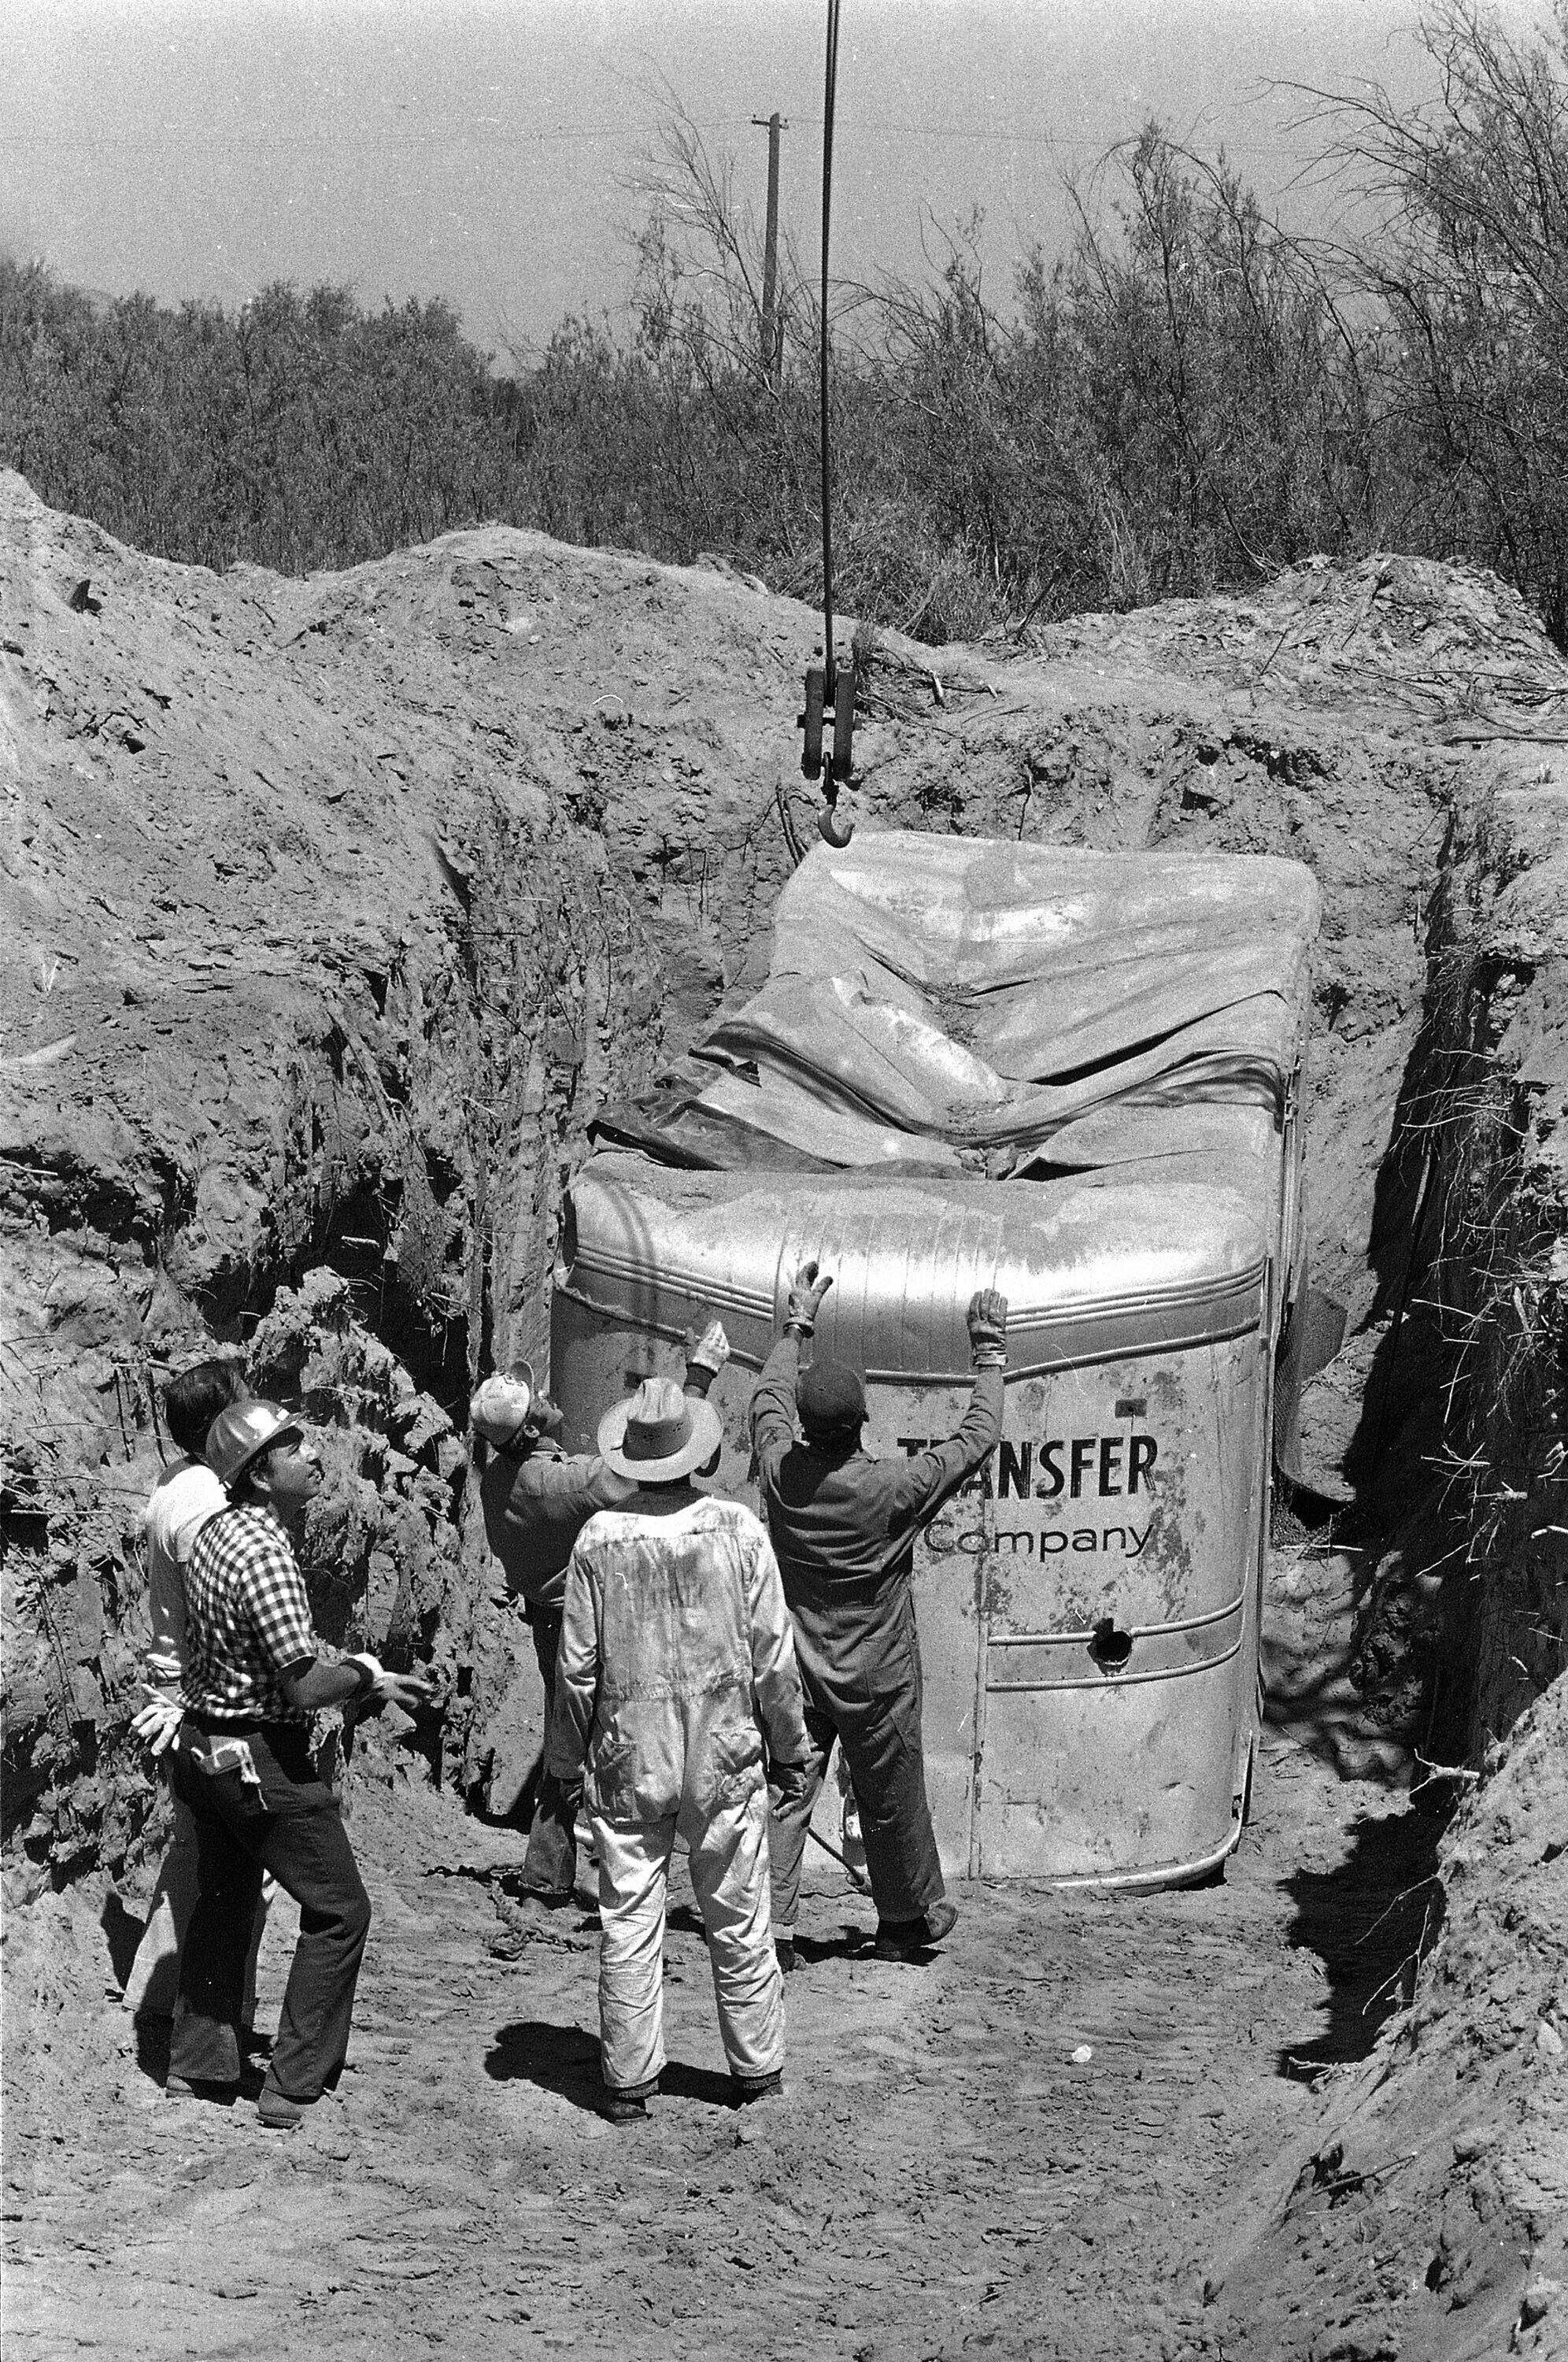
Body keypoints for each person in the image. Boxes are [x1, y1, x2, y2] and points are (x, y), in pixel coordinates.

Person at [549, 1375, 810, 2123]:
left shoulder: (599, 1539)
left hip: (631, 1753)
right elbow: (772, 1658)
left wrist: (567, 1764)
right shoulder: (737, 1530)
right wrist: (789, 1745)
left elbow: (576, 1671)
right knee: (738, 1909)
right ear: (698, 1451)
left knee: (629, 1914)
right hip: (723, 1750)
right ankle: (756, 2069)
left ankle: (629, 2078)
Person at [165, 1399, 431, 2131]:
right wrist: (367, 1676)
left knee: (223, 1899)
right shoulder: (268, 1552)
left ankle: (198, 2063)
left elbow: (286, 1652)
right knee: (341, 1910)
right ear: (257, 1476)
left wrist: (360, 1671)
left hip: (203, 1747)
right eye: (293, 1448)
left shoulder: (212, 1533)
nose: (313, 1455)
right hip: (260, 1758)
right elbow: (304, 1684)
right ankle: (291, 2085)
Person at [751, 1264, 1008, 1965]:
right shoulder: (891, 1489)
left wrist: (795, 1325)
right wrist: (988, 1354)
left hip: (798, 1669)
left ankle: (769, 1931)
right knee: (891, 1794)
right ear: (861, 1422)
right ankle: (902, 1922)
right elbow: (976, 1438)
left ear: (806, 1425)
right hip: (878, 1677)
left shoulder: (779, 1472)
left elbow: (767, 1400)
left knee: (788, 1791)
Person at [472, 1324, 730, 1902]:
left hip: (550, 1618)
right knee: (608, 1738)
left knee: (565, 1737)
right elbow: (654, 1462)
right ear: (531, 1428)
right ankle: (605, 1869)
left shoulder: (500, 1480)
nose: (548, 1399)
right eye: (538, 1401)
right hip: (585, 1623)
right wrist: (700, 1376)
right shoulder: (564, 1483)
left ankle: (546, 1869)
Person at [125, 1359, 266, 2026]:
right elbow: (225, 1609)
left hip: (173, 1682)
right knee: (245, 1861)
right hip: (204, 1692)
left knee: (196, 1845)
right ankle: (214, 2013)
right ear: (219, 1425)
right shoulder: (209, 1501)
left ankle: (154, 1998)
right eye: (241, 1406)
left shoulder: (175, 1483)